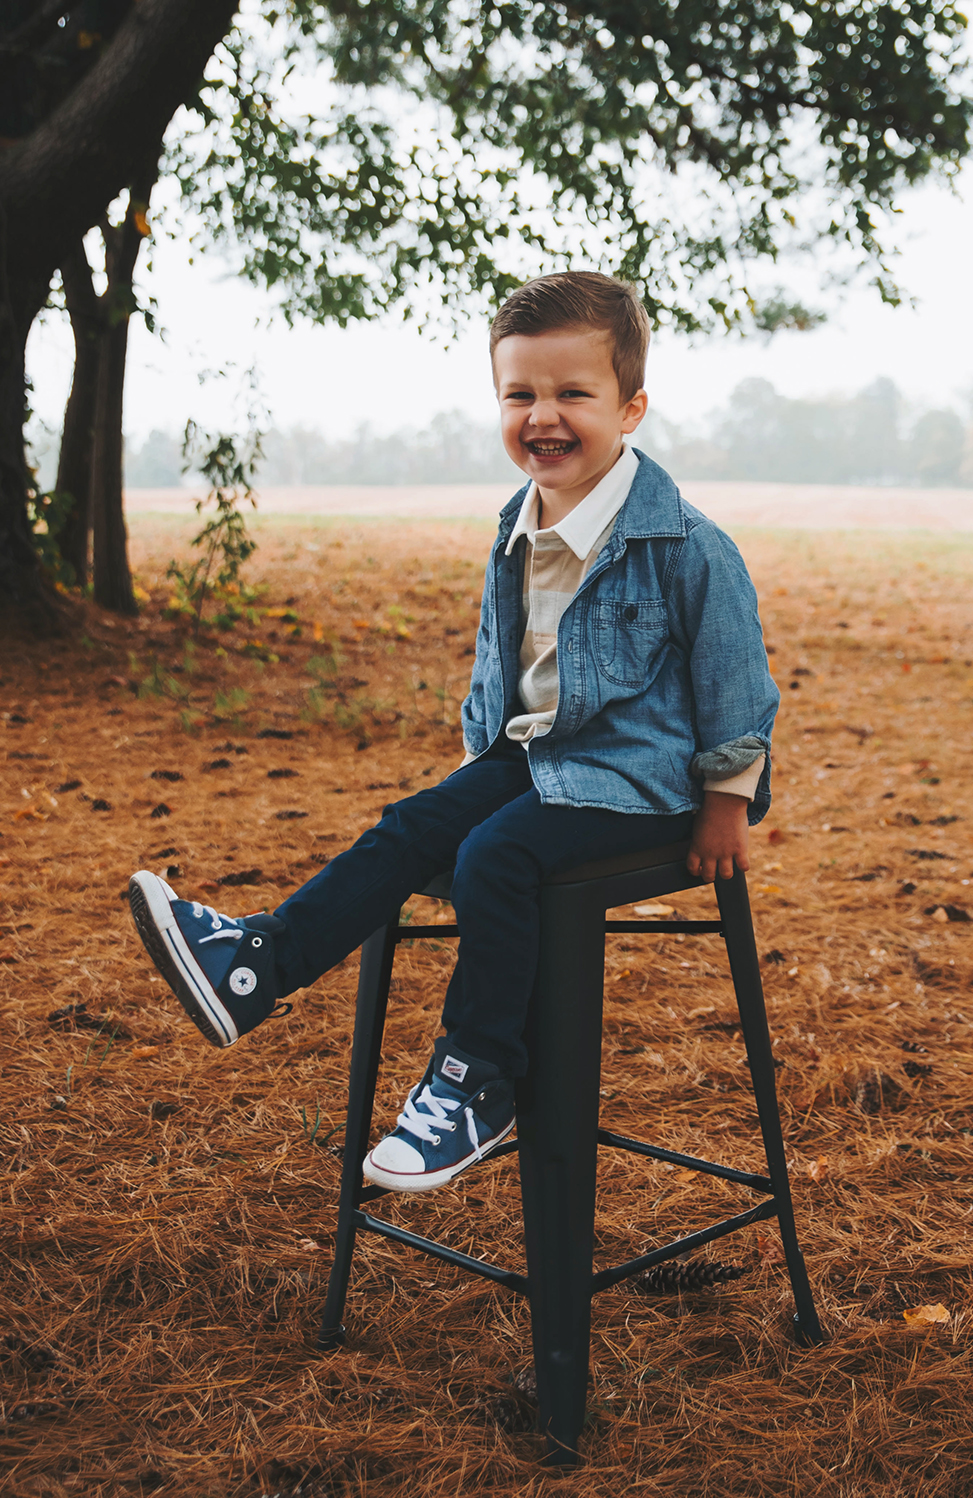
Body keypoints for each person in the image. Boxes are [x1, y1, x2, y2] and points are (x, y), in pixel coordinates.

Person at [128, 271, 778, 1195]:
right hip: (542, 760)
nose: (542, 416)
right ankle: (255, 966)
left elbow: (735, 682)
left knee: (496, 857)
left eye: (571, 395)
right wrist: (473, 775)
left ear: (630, 408)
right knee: (415, 825)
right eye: (520, 395)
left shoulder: (685, 544)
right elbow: (505, 669)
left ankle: (478, 1077)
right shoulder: (518, 525)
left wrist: (726, 804)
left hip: (653, 785)